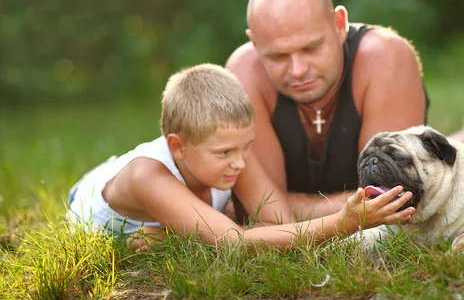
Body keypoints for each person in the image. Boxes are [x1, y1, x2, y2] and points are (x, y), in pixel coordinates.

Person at [225, 0, 464, 220]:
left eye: (311, 48)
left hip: (320, 190)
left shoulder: (385, 57)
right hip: (327, 193)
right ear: (255, 42)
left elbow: (395, 197)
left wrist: (288, 206)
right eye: (277, 56)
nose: (297, 71)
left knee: (446, 156)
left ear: (339, 24)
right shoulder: (242, 74)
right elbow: (264, 212)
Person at [67, 63, 416, 251]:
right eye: (224, 152)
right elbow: (233, 242)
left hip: (185, 193)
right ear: (177, 148)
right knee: (225, 224)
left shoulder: (229, 153)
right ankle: (176, 231)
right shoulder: (147, 177)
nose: (240, 162)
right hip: (93, 196)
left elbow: (278, 218)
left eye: (246, 146)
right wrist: (343, 223)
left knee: (225, 221)